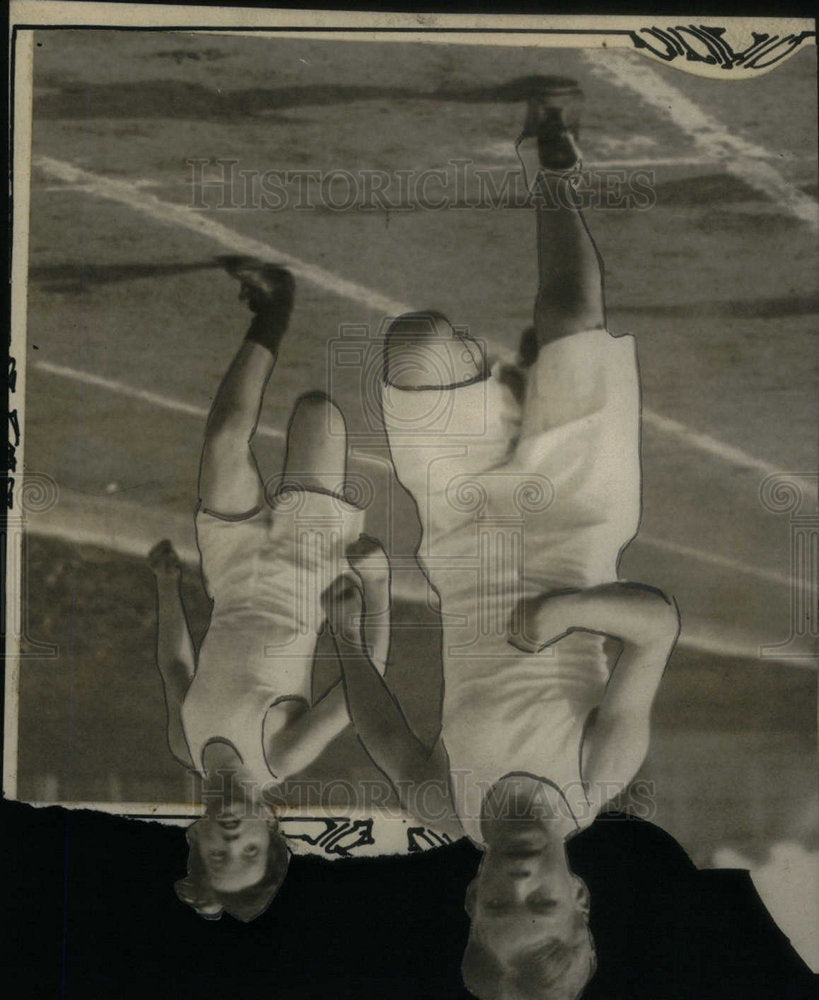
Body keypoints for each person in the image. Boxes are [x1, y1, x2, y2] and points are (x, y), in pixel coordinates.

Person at [324, 76, 681, 999]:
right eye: (545, 903)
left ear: (471, 895)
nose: (521, 882)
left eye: (499, 904)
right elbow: (654, 627)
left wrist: (344, 632)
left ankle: (493, 392)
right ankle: (550, 165)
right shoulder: (599, 776)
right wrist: (567, 607)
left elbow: (379, 727)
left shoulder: (441, 803)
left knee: (418, 344)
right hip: (575, 519)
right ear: (581, 897)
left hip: (464, 526)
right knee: (569, 322)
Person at [148, 256, 372, 921]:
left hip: (232, 570)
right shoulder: (282, 757)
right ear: (271, 834)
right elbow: (367, 688)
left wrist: (166, 587)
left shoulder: (184, 747)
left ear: (194, 839)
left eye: (218, 858)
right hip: (306, 569)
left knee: (223, 438)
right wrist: (366, 608)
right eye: (248, 854)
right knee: (317, 411)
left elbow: (175, 664)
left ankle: (273, 306)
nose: (229, 843)